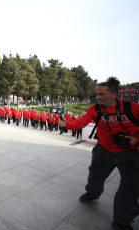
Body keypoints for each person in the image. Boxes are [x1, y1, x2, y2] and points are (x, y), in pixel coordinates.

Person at [58, 77, 139, 230]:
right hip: (103, 150)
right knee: (95, 176)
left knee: (130, 187)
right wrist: (66, 124)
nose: (98, 97)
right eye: (97, 94)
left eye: (102, 94)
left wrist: (136, 139)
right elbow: (79, 124)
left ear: (114, 94)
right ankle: (92, 193)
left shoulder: (132, 108)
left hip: (130, 152)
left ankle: (122, 220)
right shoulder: (94, 109)